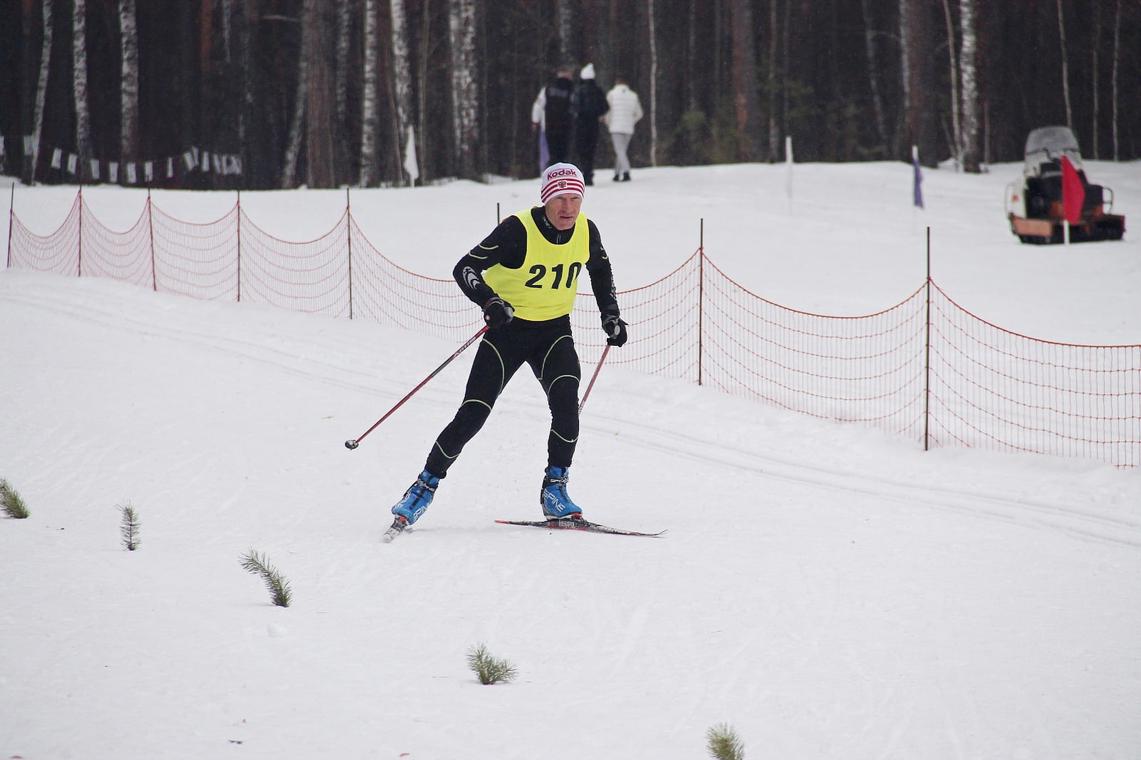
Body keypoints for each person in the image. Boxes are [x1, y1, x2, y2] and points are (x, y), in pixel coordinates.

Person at [385, 162, 628, 538]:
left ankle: (555, 490)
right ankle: (423, 487)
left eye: (575, 199)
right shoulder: (518, 230)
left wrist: (610, 316)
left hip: (554, 332)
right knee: (473, 414)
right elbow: (465, 267)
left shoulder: (586, 230)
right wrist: (490, 301)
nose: (568, 208)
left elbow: (600, 271)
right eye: (560, 198)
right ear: (546, 199)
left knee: (566, 402)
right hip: (508, 332)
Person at [571, 63, 609, 186]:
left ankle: (584, 172)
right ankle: (589, 173)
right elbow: (605, 106)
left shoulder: (578, 90)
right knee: (591, 149)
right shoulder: (598, 91)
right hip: (593, 124)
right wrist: (597, 114)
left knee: (582, 149)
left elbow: (574, 107)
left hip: (581, 123)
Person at [532, 65, 575, 166]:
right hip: (566, 125)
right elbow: (575, 106)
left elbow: (538, 106)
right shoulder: (572, 89)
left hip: (550, 124)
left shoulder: (548, 88)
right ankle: (563, 171)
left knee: (552, 152)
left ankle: (551, 171)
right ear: (568, 75)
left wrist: (535, 121)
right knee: (564, 152)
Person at [604, 76, 644, 182]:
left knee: (620, 151)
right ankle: (617, 174)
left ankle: (626, 172)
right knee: (622, 151)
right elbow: (639, 113)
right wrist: (632, 121)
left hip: (615, 127)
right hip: (628, 127)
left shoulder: (612, 94)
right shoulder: (633, 95)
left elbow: (607, 110)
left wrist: (608, 122)